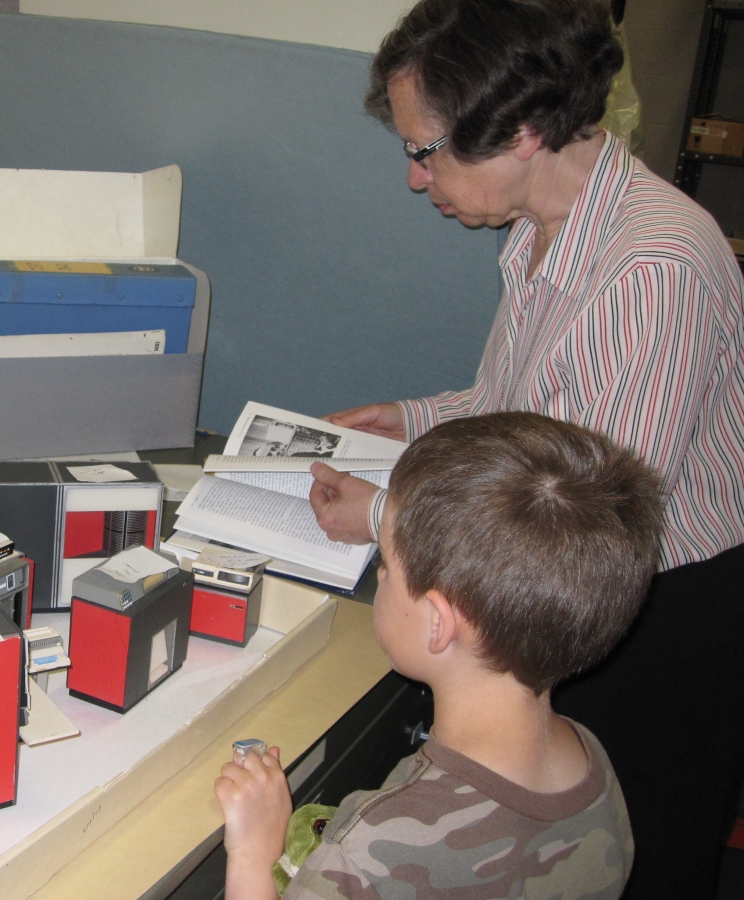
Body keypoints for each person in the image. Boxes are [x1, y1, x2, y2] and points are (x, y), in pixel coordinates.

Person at [307, 2, 744, 896]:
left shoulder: (649, 271)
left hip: (652, 610)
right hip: (573, 582)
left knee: (632, 861)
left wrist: (386, 514)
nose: (417, 179)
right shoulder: (548, 230)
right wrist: (412, 417)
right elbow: (534, 414)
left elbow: (579, 517)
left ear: (521, 130)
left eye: (425, 149)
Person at [216, 412, 665, 900]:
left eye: (386, 562)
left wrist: (255, 855)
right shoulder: (591, 763)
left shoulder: (375, 849)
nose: (382, 577)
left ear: (438, 623)